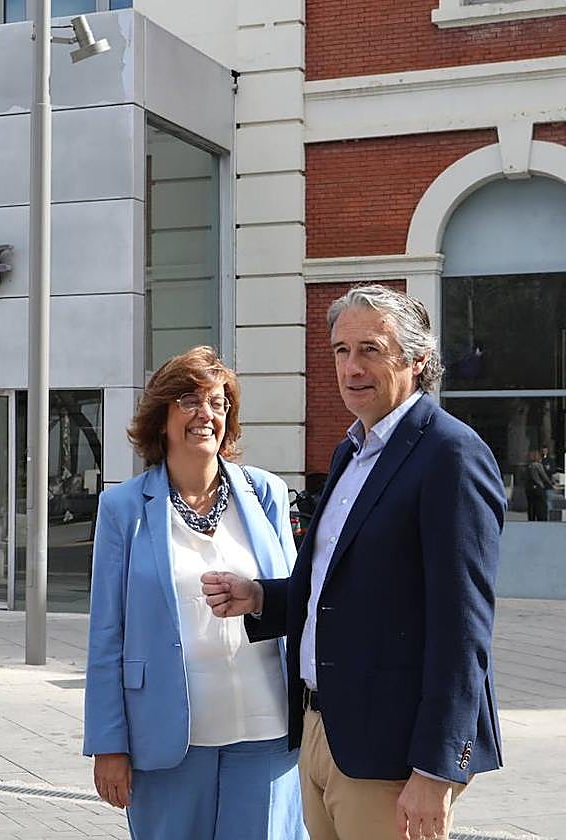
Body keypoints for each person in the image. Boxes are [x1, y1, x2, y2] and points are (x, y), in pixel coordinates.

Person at [202, 285, 505, 840]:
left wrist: (436, 770)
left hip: (391, 755)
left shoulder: (450, 455)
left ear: (416, 361)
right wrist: (264, 597)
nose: (351, 367)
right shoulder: (352, 449)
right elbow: (342, 587)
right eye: (341, 350)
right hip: (324, 731)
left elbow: (464, 628)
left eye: (371, 349)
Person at [84, 346, 306, 840]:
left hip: (265, 728)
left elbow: (297, 597)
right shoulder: (123, 507)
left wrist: (260, 595)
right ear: (161, 417)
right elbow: (106, 633)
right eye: (190, 400)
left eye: (218, 402)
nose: (206, 414)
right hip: (167, 736)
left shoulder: (266, 493)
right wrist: (108, 744)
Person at [524, 448, 552, 522]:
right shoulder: (538, 465)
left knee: (531, 506)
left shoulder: (528, 466)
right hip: (538, 487)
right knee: (541, 506)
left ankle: (531, 519)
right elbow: (544, 476)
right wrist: (551, 484)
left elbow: (523, 478)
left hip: (529, 488)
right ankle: (541, 519)